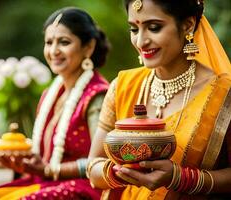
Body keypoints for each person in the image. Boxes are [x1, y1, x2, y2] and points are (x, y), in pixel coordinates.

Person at [87, 0, 231, 199]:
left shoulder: (223, 93)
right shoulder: (122, 86)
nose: (141, 41)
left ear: (188, 25)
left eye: (154, 28)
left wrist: (180, 178)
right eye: (134, 29)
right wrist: (120, 173)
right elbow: (93, 166)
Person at [0, 7, 110, 200]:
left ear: (88, 47)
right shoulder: (51, 93)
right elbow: (44, 157)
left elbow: (101, 161)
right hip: (48, 180)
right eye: (49, 42)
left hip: (86, 186)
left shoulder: (97, 95)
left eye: (64, 42)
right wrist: (23, 163)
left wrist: (49, 170)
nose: (54, 51)